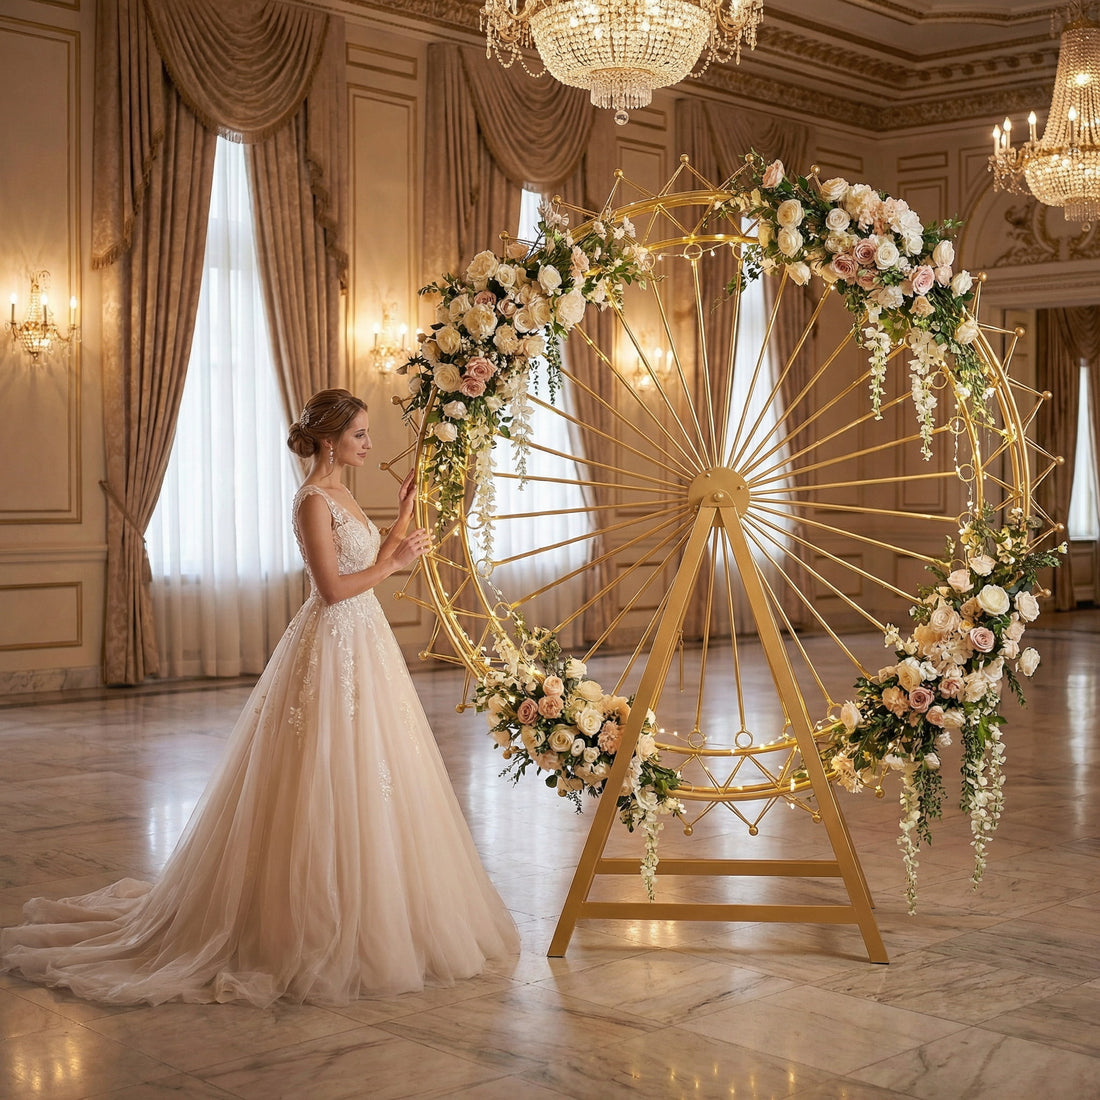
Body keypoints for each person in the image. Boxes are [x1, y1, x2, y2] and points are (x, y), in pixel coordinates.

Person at [1, 388, 518, 1007]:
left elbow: (370, 566)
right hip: (331, 642)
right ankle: (306, 921)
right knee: (318, 773)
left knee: (375, 769)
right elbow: (332, 589)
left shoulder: (347, 493)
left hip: (366, 645)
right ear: (329, 439)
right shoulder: (311, 501)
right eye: (359, 435)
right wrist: (396, 560)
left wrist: (403, 517)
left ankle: (376, 903)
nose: (369, 445)